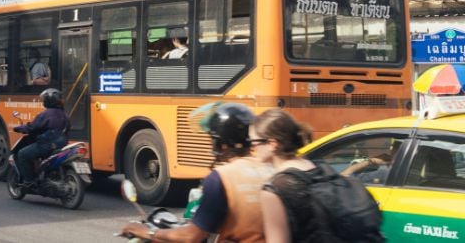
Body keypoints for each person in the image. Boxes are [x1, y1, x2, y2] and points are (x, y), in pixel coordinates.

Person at [121, 102, 273, 243]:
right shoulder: (271, 171)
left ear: (223, 144)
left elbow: (191, 236)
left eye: (212, 139)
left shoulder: (221, 177)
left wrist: (147, 231)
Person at [255, 110, 384, 243]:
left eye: (254, 142)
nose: (251, 148)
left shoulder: (275, 188)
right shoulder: (321, 168)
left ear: (272, 144)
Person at [14, 88, 69, 187]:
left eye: (44, 99)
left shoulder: (45, 114)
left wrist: (19, 128)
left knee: (22, 154)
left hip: (46, 145)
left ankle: (29, 181)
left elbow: (32, 127)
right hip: (61, 144)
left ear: (48, 101)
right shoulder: (64, 114)